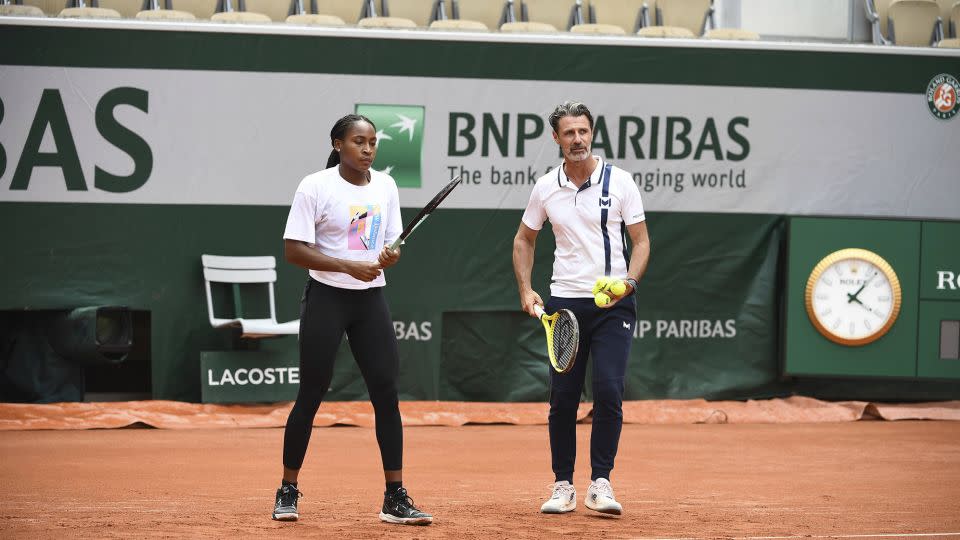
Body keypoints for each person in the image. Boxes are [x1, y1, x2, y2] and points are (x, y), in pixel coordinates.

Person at [273, 113, 432, 526]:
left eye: (373, 143)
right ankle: (288, 489)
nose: (367, 150)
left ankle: (394, 496)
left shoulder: (386, 185)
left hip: (370, 300)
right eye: (359, 142)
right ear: (337, 144)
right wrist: (346, 267)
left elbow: (389, 245)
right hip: (327, 296)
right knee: (311, 392)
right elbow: (294, 250)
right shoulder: (315, 186)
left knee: (386, 393)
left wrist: (390, 256)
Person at [512, 101, 651, 516]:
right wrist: (526, 289)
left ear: (592, 133)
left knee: (609, 391)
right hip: (564, 304)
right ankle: (562, 486)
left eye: (583, 131)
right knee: (563, 399)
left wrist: (629, 284)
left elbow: (641, 242)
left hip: (613, 304)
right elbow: (524, 239)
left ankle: (601, 483)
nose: (578, 139)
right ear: (556, 138)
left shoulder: (621, 182)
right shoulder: (545, 187)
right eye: (569, 133)